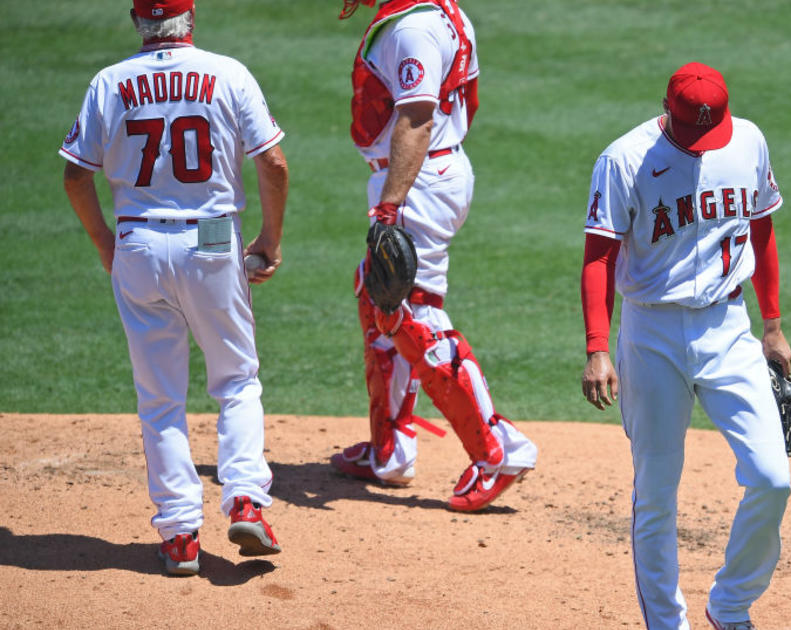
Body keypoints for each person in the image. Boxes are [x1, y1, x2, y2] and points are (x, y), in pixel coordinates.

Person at [60, 0, 288, 576]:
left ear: (137, 22)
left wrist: (105, 245)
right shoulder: (228, 72)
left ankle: (181, 534)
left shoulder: (109, 81)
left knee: (160, 398)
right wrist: (269, 240)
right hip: (213, 237)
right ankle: (244, 501)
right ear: (191, 21)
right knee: (236, 380)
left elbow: (74, 175)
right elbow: (275, 164)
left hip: (137, 243)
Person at [579, 62, 791, 630]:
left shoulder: (747, 141)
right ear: (666, 110)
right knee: (656, 491)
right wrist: (597, 345)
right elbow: (598, 255)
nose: (704, 145)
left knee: (773, 477)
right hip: (651, 335)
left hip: (729, 328)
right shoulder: (624, 160)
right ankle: (666, 625)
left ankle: (729, 607)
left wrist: (772, 325)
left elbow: (763, 231)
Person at [331, 0, 537, 512]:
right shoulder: (444, 12)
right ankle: (391, 449)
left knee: (411, 312)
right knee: (373, 293)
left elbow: (419, 119)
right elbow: (467, 98)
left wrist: (390, 205)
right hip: (430, 171)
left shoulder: (416, 27)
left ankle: (496, 450)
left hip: (415, 180)